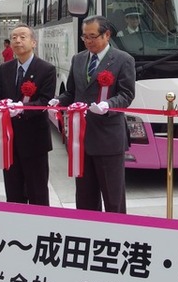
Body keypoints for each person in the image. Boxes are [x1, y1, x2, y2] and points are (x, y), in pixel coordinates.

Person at [52, 15, 135, 213]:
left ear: (107, 35)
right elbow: (71, 92)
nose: (88, 41)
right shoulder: (78, 59)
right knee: (85, 196)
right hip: (82, 138)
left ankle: (117, 235)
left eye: (92, 36)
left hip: (108, 138)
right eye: (84, 37)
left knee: (113, 197)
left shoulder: (123, 60)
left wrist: (108, 105)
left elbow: (127, 94)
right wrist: (59, 100)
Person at [0, 25, 56, 206]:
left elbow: (45, 101)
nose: (17, 41)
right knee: (13, 191)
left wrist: (22, 107)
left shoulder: (46, 69)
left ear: (33, 42)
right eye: (13, 37)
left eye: (22, 37)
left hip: (35, 140)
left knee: (37, 191)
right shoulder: (5, 69)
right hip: (9, 140)